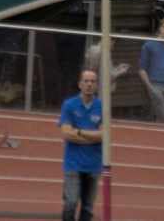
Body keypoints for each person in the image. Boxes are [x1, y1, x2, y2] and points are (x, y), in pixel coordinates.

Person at [59, 69, 103, 221]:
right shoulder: (69, 105)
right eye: (86, 81)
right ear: (80, 84)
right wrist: (92, 136)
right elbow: (66, 133)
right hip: (73, 164)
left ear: (97, 85)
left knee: (88, 207)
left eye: (93, 81)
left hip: (93, 165)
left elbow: (103, 135)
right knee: (70, 202)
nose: (89, 84)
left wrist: (77, 132)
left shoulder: (102, 106)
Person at [139, 18, 164, 124]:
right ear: (160, 28)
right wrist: (150, 87)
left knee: (161, 118)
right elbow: (142, 69)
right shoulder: (149, 45)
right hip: (155, 84)